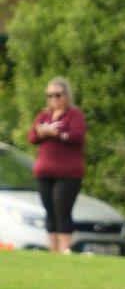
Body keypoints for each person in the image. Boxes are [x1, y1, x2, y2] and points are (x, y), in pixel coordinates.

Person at [27, 77, 87, 254]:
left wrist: (57, 134)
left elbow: (78, 136)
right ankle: (53, 249)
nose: (53, 99)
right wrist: (42, 132)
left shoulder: (74, 115)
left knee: (62, 208)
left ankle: (65, 247)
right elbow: (31, 136)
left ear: (66, 96)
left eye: (57, 95)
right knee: (49, 210)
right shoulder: (44, 115)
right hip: (45, 171)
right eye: (50, 95)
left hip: (68, 173)